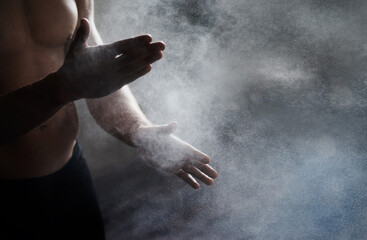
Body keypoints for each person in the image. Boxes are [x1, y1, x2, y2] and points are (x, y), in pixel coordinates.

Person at [0, 0, 218, 239]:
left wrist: (138, 129)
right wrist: (60, 90)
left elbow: (94, 70)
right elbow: (70, 85)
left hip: (69, 172)